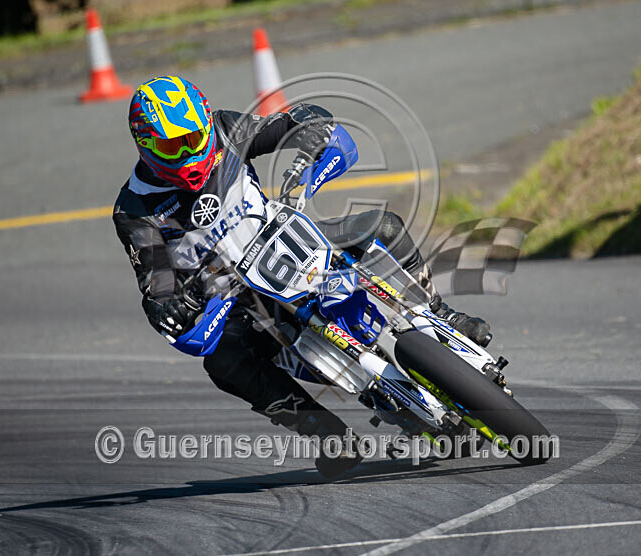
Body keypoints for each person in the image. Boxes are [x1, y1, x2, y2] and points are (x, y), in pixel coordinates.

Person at [113, 75, 490, 477]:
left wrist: (308, 126)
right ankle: (324, 432)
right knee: (223, 363)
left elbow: (285, 126)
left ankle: (440, 312)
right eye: (175, 146)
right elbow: (156, 279)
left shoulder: (224, 128)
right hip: (236, 296)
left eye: (195, 137)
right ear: (146, 146)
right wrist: (167, 304)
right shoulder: (134, 210)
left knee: (385, 227)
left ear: (207, 121)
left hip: (291, 241)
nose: (191, 152)